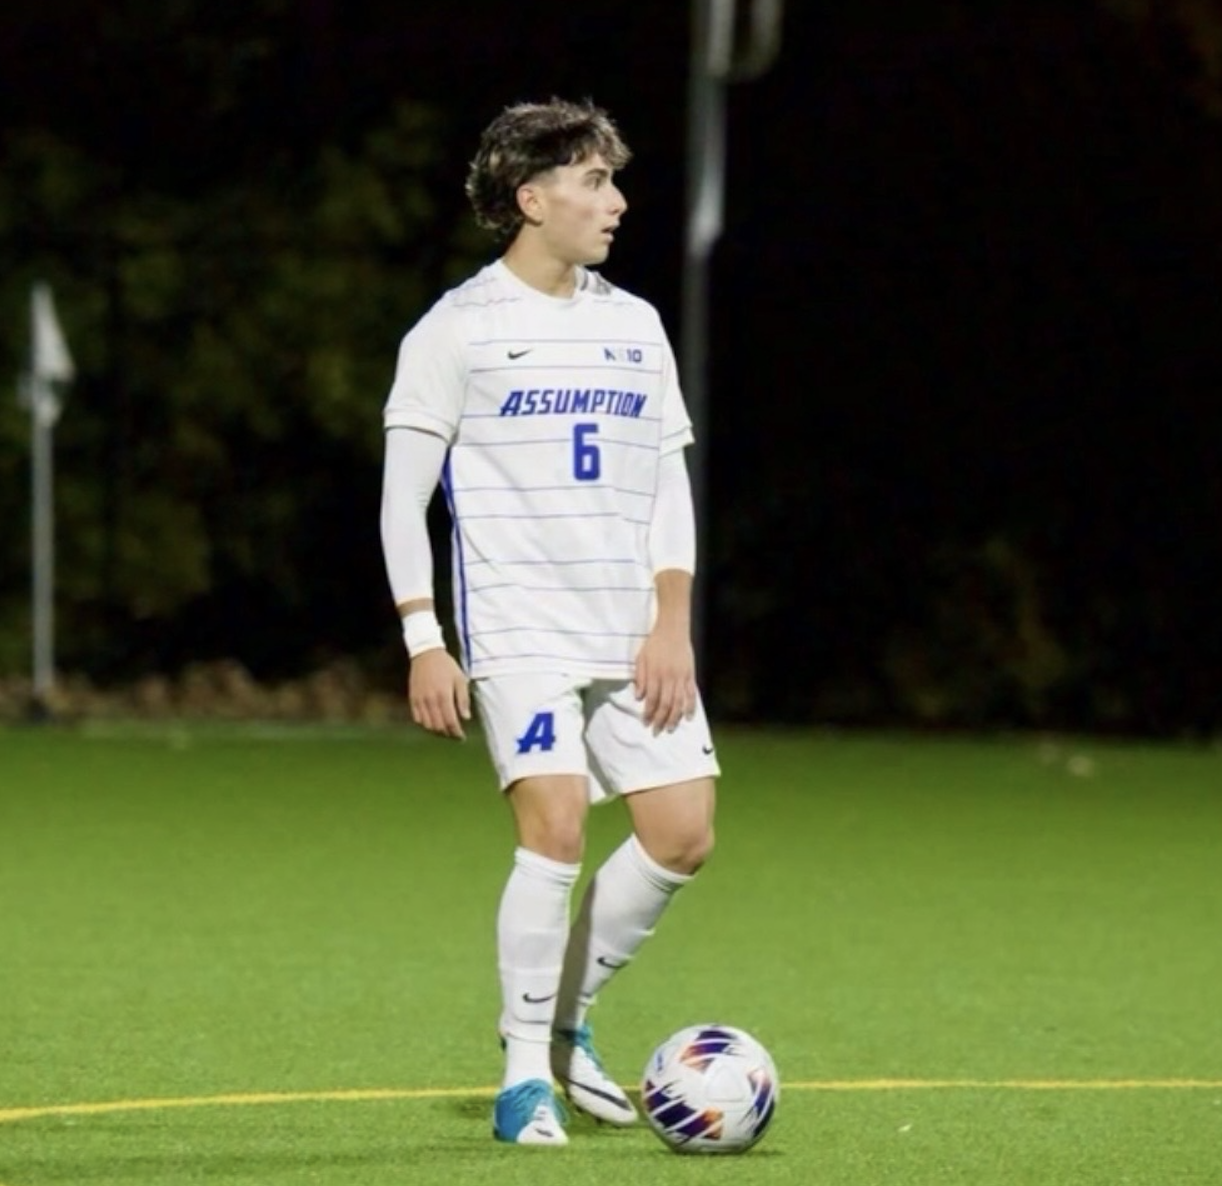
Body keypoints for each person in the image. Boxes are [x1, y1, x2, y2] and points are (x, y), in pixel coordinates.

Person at [378, 97, 719, 1148]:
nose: (615, 202)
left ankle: (569, 1026)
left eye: (613, 182)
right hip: (519, 627)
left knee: (682, 833)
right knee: (558, 826)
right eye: (592, 183)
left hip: (629, 630)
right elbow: (403, 499)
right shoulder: (455, 330)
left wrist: (672, 621)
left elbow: (667, 482)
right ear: (532, 199)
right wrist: (423, 637)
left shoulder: (634, 325)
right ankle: (523, 1073)